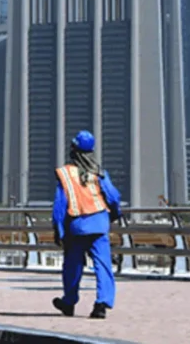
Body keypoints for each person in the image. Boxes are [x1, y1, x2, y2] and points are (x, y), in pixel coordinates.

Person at [51, 130, 122, 320]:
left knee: (73, 266)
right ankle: (102, 303)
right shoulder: (99, 173)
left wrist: (58, 229)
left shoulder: (65, 174)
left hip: (76, 225)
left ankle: (69, 301)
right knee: (103, 265)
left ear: (72, 150)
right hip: (99, 225)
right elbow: (113, 197)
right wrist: (113, 215)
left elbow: (60, 205)